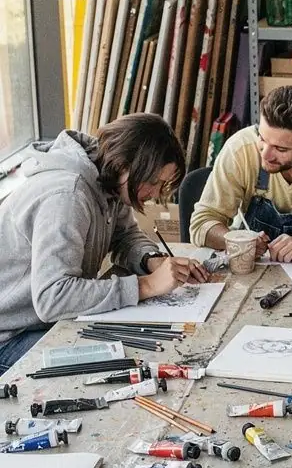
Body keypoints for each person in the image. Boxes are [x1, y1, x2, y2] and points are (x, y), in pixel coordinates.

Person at [0, 114, 206, 375]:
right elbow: (53, 297)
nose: (154, 194)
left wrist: (152, 261)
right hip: (9, 335)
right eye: (153, 182)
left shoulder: (108, 181)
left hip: (40, 323)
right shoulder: (68, 196)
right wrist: (148, 285)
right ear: (124, 164)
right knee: (117, 365)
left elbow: (125, 236)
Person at [190, 84, 292, 263]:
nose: (265, 154)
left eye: (280, 148)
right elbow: (202, 224)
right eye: (262, 138)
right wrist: (238, 242)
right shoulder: (240, 149)